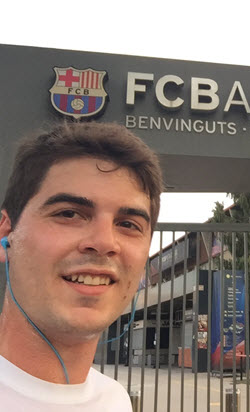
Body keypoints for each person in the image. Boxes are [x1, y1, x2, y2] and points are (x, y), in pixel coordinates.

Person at [0, 122, 163, 411]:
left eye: (128, 224)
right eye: (69, 213)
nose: (104, 242)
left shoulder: (115, 400)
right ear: (5, 233)